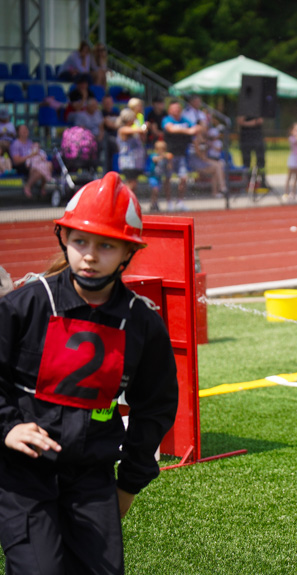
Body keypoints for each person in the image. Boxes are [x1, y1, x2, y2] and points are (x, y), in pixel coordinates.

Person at [0, 172, 179, 574]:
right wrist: (6, 427)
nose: (90, 255)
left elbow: (156, 404)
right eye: (80, 241)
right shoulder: (26, 306)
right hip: (23, 477)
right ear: (63, 238)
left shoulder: (142, 323)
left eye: (106, 245)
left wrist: (129, 482)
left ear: (128, 252)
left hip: (93, 479)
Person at [162, 100, 201, 211]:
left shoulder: (185, 120)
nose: (176, 111)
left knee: (183, 178)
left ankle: (180, 201)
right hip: (170, 154)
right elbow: (171, 129)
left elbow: (197, 128)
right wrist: (188, 131)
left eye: (178, 108)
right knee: (168, 178)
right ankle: (169, 202)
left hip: (182, 154)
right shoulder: (167, 119)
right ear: (170, 110)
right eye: (174, 109)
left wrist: (190, 130)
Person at [10, 124, 53, 199]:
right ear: (18, 132)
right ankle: (28, 186)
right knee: (38, 170)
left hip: (34, 163)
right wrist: (31, 156)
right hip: (22, 165)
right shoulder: (15, 144)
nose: (25, 131)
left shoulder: (30, 142)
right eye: (23, 130)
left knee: (48, 165)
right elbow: (16, 161)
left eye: (26, 129)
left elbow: (37, 153)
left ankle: (41, 187)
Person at [116, 107, 147, 194]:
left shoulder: (133, 129)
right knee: (130, 184)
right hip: (128, 162)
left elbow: (142, 137)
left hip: (136, 161)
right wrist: (144, 126)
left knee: (134, 185)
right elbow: (139, 130)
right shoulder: (123, 129)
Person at [237, 113, 266, 184]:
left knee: (261, 160)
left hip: (257, 137)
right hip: (245, 138)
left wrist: (247, 123)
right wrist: (253, 122)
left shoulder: (257, 109)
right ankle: (247, 181)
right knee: (246, 161)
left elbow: (260, 121)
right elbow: (240, 121)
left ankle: (262, 182)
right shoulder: (243, 109)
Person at [146, 140, 171, 212]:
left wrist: (169, 160)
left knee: (157, 191)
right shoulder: (153, 155)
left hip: (159, 177)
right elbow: (155, 160)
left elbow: (168, 167)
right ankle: (153, 203)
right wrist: (163, 156)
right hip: (153, 177)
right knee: (155, 190)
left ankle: (155, 203)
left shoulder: (164, 158)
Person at [284, 122, 297, 203]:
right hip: (293, 158)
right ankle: (286, 193)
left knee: (296, 177)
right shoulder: (292, 138)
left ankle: (293, 193)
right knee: (290, 176)